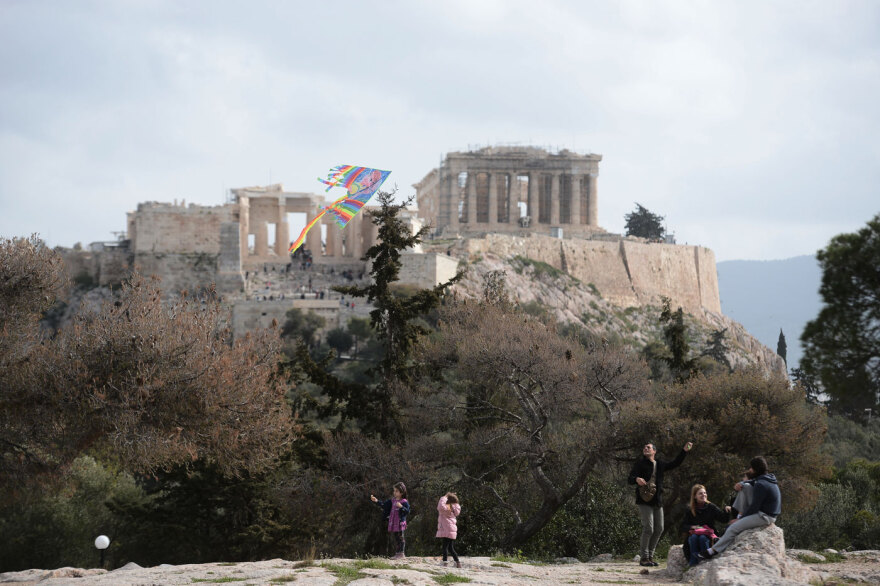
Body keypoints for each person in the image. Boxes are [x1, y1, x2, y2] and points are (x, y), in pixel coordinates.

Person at [699, 456, 781, 560]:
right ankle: (739, 514)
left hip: (765, 516)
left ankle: (712, 551)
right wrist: (741, 483)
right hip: (764, 512)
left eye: (751, 468)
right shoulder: (767, 478)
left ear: (756, 469)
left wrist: (740, 520)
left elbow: (754, 508)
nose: (749, 470)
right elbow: (751, 482)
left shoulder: (761, 484)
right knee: (745, 486)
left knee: (734, 527)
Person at [628, 440, 694, 567]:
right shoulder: (640, 464)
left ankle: (650, 556)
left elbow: (675, 463)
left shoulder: (660, 465)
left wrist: (684, 451)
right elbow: (630, 478)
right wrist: (636, 479)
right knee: (648, 528)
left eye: (648, 447)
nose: (645, 449)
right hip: (644, 500)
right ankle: (644, 557)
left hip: (657, 501)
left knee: (659, 529)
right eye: (644, 447)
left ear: (654, 451)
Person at [680, 484, 728, 566]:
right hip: (695, 535)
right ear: (695, 496)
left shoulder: (711, 507)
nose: (704, 495)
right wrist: (693, 527)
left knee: (702, 538)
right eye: (700, 493)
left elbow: (723, 519)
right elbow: (683, 526)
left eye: (705, 493)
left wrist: (727, 509)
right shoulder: (690, 509)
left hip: (708, 535)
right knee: (694, 537)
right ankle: (693, 561)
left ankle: (705, 560)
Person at [371, 482, 411, 559]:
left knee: (400, 537)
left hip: (400, 523)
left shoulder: (404, 502)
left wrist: (401, 507)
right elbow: (384, 505)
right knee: (396, 538)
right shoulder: (392, 501)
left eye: (396, 491)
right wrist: (376, 501)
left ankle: (401, 554)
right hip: (394, 523)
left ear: (402, 492)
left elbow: (407, 511)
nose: (394, 493)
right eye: (394, 491)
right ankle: (397, 553)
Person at [436, 492, 462, 568]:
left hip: (446, 529)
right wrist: (452, 496)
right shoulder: (454, 508)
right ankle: (458, 563)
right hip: (451, 530)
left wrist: (445, 496)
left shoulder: (446, 507)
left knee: (445, 547)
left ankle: (445, 563)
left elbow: (440, 506)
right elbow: (455, 504)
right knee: (450, 547)